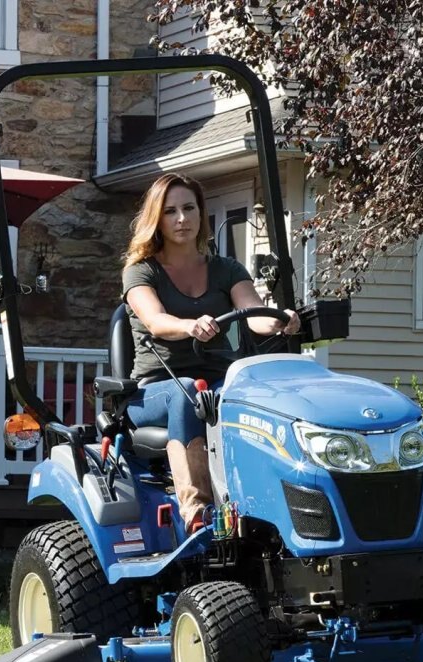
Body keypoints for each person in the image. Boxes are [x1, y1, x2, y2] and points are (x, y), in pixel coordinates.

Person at [122, 173, 299, 531]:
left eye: (189, 208)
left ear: (201, 214)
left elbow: (253, 315)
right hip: (154, 390)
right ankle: (197, 511)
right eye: (170, 211)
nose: (182, 219)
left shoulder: (226, 269)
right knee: (188, 391)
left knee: (261, 398)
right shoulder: (140, 271)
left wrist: (280, 320)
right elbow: (156, 321)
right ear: (157, 218)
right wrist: (189, 326)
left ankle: (275, 506)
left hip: (218, 383)